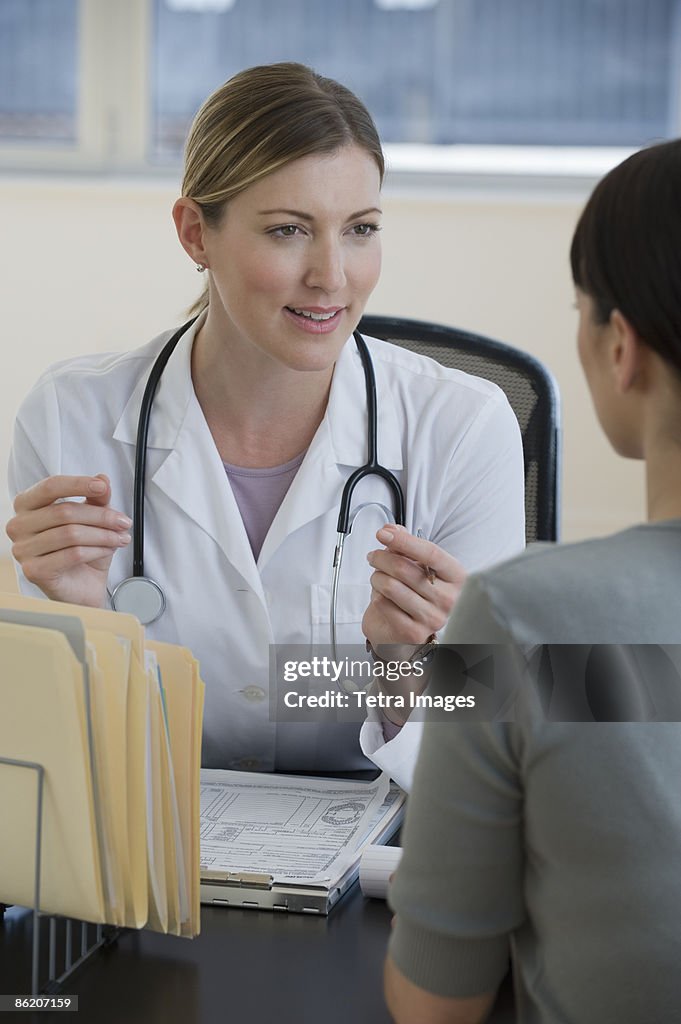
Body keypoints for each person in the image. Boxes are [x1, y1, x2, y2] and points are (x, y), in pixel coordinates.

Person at [5, 63, 524, 788]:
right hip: (158, 849)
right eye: (288, 231)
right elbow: (62, 762)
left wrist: (402, 666)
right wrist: (85, 621)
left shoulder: (461, 426)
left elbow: (491, 747)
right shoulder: (73, 417)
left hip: (386, 859)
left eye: (360, 230)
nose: (332, 276)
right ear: (195, 234)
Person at [385, 138, 681, 1022]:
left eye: (359, 227)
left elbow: (436, 1004)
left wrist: (424, 675)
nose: (328, 274)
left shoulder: (532, 612)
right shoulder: (550, 632)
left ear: (619, 345)